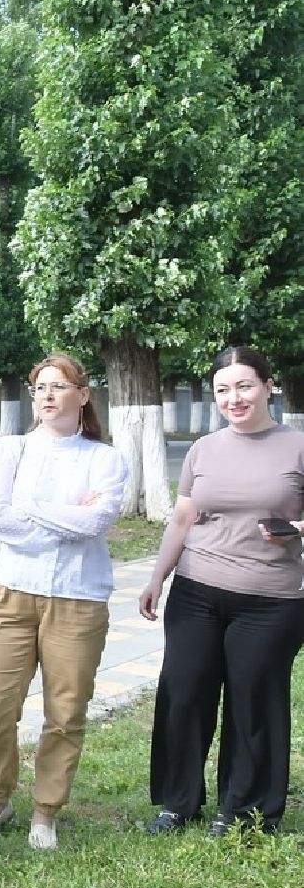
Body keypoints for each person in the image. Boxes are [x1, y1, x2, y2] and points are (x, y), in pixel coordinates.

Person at [139, 346, 304, 836]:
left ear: (268, 386)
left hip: (272, 600)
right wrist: (157, 576)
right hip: (196, 590)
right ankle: (178, 802)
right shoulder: (203, 449)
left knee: (254, 702)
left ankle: (247, 812)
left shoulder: (296, 446)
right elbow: (183, 517)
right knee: (184, 694)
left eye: (245, 386)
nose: (235, 398)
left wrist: (295, 526)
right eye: (223, 390)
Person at [0, 354, 128, 850]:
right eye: (40, 387)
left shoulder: (105, 458)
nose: (48, 395)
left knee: (65, 712)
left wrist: (30, 509)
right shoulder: (8, 449)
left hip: (78, 599)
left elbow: (96, 523)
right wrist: (61, 520)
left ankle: (45, 811)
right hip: (11, 591)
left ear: (83, 395)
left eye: (60, 386)